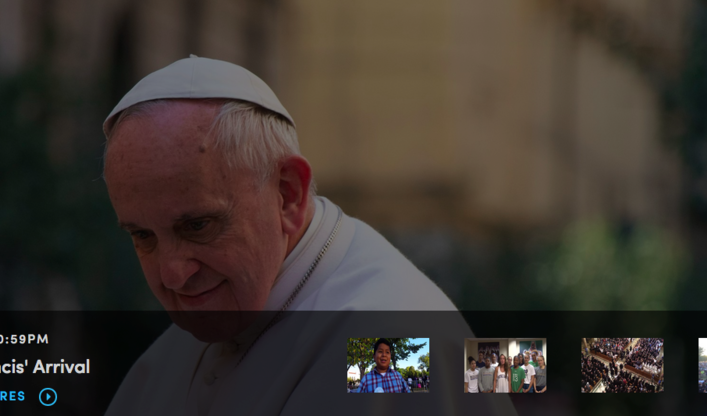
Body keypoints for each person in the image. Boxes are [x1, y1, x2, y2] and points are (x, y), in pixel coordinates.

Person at [100, 56, 479, 415]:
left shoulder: (395, 338)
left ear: (287, 194)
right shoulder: (187, 340)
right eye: (143, 236)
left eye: (198, 226)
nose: (172, 275)